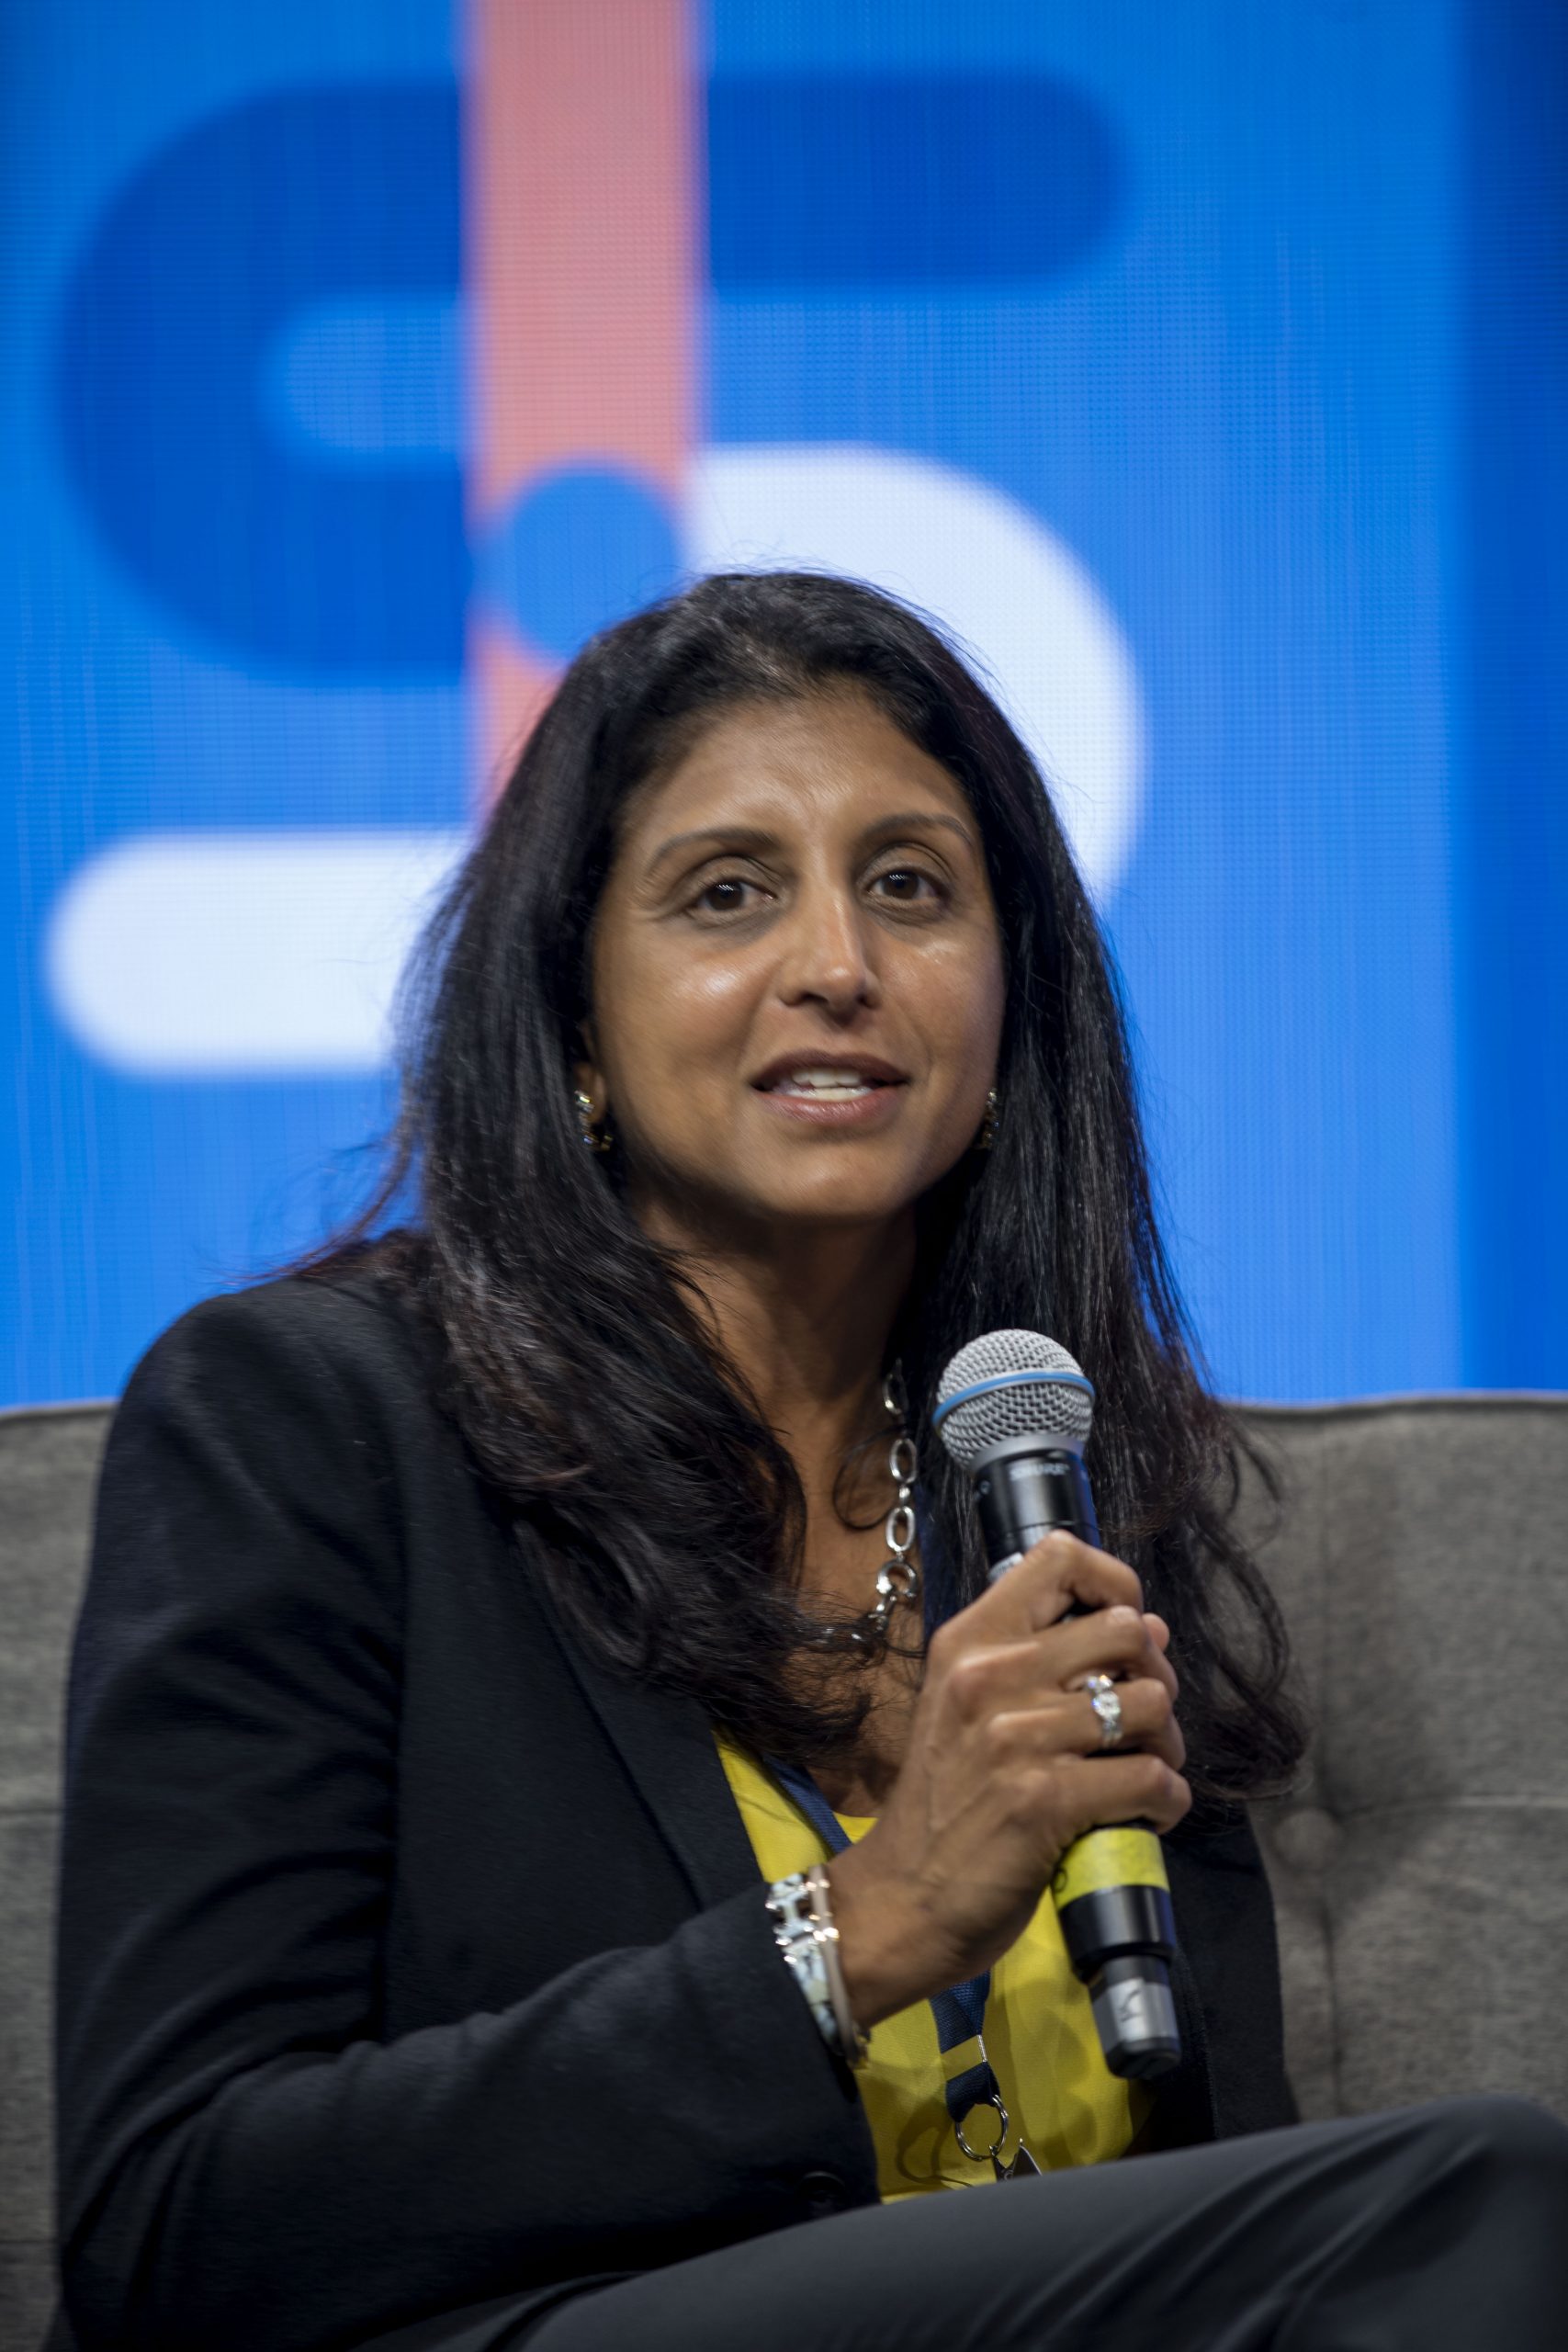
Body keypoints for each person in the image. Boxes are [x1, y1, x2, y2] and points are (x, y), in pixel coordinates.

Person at [54, 571, 1567, 2352]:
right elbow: (172, 2215)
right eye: (727, 892)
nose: (838, 966)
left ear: (1008, 1005)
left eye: (910, 887)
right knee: (1475, 2197)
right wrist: (855, 1928)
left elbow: (1203, 2212)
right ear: (574, 1022)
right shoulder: (308, 1418)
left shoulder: (1053, 1469)